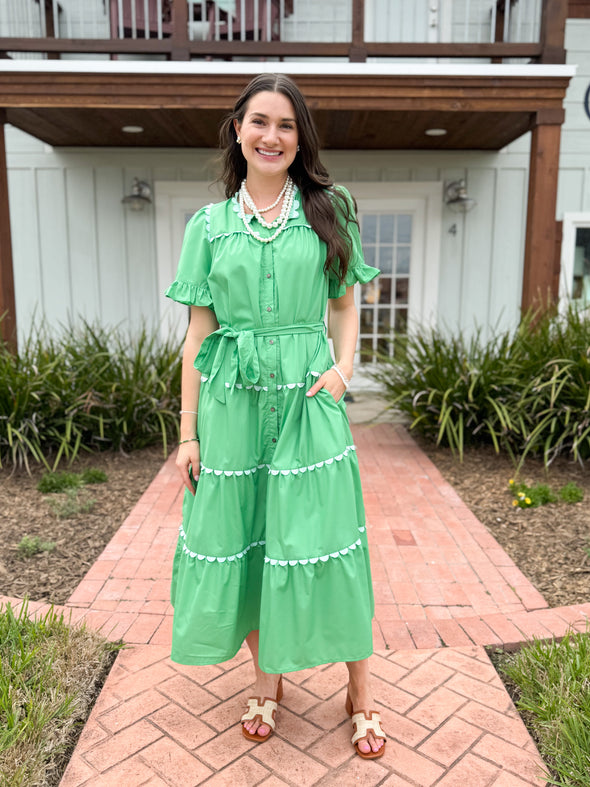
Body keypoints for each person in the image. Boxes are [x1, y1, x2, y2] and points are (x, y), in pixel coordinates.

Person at [165, 73, 386, 760]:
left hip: (307, 400)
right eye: (259, 121)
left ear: (300, 138)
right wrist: (188, 431)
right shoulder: (208, 227)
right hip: (232, 408)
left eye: (286, 125)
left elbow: (345, 303)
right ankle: (267, 680)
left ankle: (361, 692)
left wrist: (343, 370)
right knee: (250, 542)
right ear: (238, 130)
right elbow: (198, 336)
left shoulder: (330, 208)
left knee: (328, 541)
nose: (271, 135)